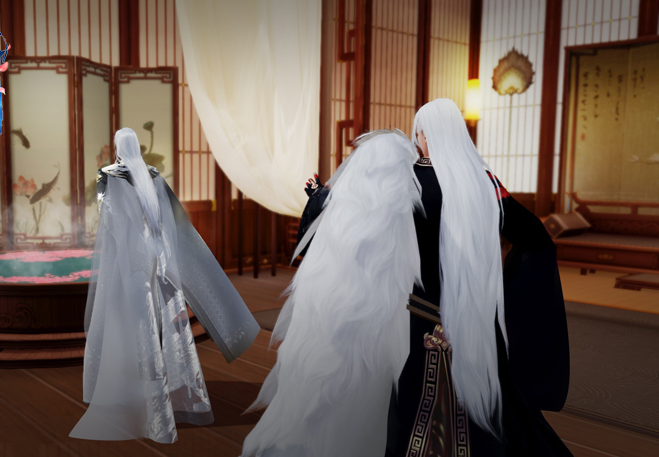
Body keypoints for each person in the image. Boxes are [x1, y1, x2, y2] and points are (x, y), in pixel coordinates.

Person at [242, 99, 571, 457]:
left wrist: (319, 197)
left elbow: (354, 222)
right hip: (476, 321)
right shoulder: (486, 183)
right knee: (493, 407)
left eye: (420, 133)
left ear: (425, 134)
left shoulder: (406, 180)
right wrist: (508, 286)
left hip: (419, 315)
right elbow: (535, 235)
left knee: (407, 404)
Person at [70, 127, 259, 444]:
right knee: (165, 325)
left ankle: (145, 403)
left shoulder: (108, 174)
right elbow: (168, 219)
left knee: (131, 323)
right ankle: (173, 394)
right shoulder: (152, 174)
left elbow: (108, 219)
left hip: (131, 256)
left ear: (118, 146)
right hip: (157, 253)